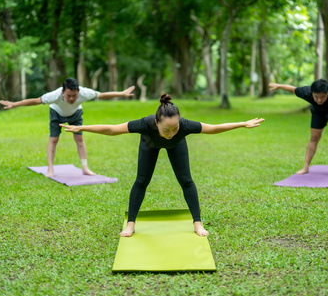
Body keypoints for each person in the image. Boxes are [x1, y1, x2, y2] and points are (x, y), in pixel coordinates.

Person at [60, 94, 265, 237]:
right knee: (141, 181)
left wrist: (242, 124)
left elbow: (212, 128)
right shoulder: (145, 124)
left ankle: (197, 222)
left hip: (177, 148)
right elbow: (113, 129)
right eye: (166, 129)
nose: (171, 133)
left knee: (186, 181)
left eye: (175, 128)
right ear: (157, 123)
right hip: (149, 145)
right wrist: (82, 127)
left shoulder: (181, 128)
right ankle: (131, 223)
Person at [0, 77, 135, 177]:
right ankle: (50, 169)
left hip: (75, 114)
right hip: (56, 113)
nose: (71, 99)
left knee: (80, 140)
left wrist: (122, 94)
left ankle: (85, 168)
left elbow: (103, 95)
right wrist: (15, 104)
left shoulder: (84, 93)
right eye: (69, 96)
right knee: (53, 140)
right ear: (63, 92)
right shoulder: (54, 95)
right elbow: (35, 101)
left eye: (74, 96)